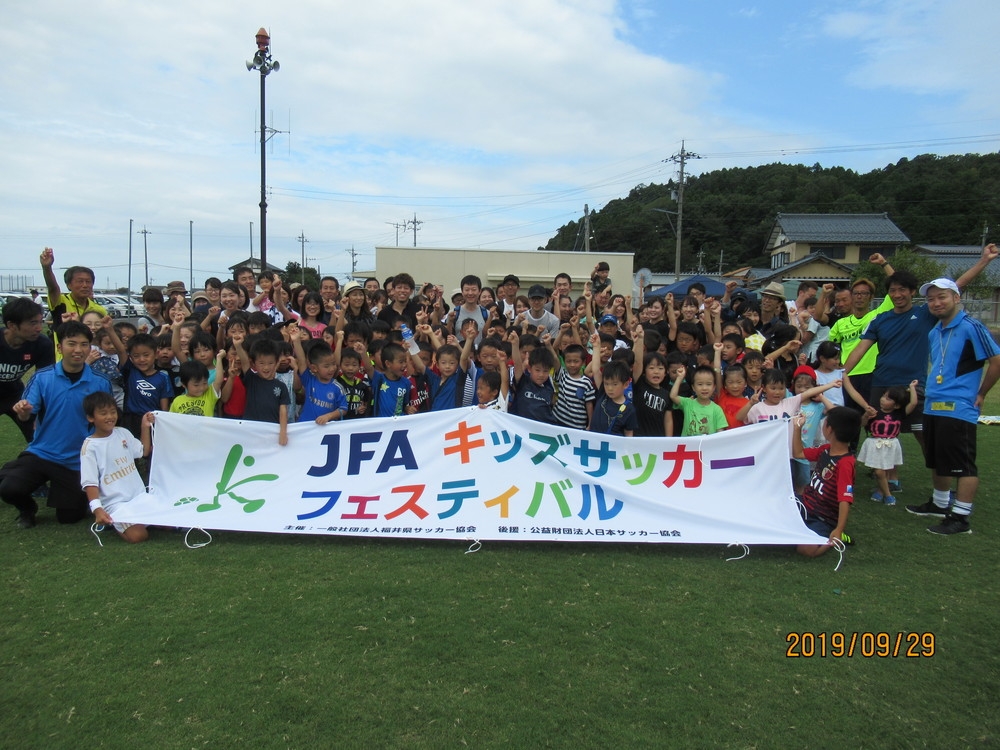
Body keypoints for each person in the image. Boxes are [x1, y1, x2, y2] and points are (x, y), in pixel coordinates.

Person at [842, 244, 997, 449]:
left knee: (923, 434)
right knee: (882, 435)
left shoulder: (925, 314)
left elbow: (956, 285)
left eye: (902, 290)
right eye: (892, 291)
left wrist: (984, 260)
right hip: (882, 383)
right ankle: (887, 479)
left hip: (914, 386)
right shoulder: (879, 320)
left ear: (912, 292)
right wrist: (843, 372)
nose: (897, 294)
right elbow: (860, 350)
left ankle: (937, 469)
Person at [905, 277, 1000, 534]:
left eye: (942, 297)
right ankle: (939, 504)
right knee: (937, 459)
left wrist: (981, 394)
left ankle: (960, 518)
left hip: (958, 406)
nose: (936, 303)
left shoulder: (971, 326)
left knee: (962, 464)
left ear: (956, 298)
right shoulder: (935, 331)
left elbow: (996, 360)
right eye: (931, 299)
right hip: (933, 404)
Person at [0, 321, 113, 528]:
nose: (78, 350)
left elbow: (108, 420)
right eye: (71, 344)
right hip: (42, 453)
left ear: (90, 347)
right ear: (60, 347)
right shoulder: (42, 378)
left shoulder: (100, 382)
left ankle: (61, 491)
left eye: (84, 344)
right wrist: (23, 413)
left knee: (69, 517)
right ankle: (27, 509)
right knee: (9, 488)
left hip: (77, 461)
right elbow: (27, 416)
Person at [80, 392, 154, 543]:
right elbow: (90, 483)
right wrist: (97, 509)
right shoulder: (90, 448)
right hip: (117, 504)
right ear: (91, 418)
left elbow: (143, 451)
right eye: (103, 413)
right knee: (138, 536)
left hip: (139, 497)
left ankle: (138, 520)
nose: (110, 417)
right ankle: (113, 521)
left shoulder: (122, 433)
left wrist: (144, 426)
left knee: (170, 525)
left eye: (113, 412)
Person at [791, 406, 862, 556]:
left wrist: (839, 529)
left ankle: (836, 539)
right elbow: (798, 453)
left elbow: (845, 499)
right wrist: (797, 428)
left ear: (829, 430)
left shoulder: (845, 464)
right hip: (805, 504)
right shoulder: (826, 449)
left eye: (825, 422)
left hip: (822, 518)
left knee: (806, 550)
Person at [0, 298, 54, 442]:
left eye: (40, 321)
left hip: (15, 394)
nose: (38, 327)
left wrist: (39, 412)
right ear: (12, 325)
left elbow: (44, 380)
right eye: (32, 323)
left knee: (38, 436)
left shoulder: (42, 345)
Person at [859, 381, 919, 507]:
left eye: (888, 398)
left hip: (891, 445)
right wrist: (866, 415)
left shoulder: (899, 414)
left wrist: (912, 388)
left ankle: (880, 491)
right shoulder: (874, 412)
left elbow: (913, 403)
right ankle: (888, 495)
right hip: (876, 444)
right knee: (879, 472)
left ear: (896, 405)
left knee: (885, 470)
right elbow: (863, 424)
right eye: (883, 396)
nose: (882, 399)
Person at [290, 329, 349, 425]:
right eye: (326, 366)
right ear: (314, 368)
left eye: (333, 364)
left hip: (326, 430)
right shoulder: (309, 380)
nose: (332, 369)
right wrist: (296, 341)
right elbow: (301, 362)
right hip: (305, 427)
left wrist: (328, 416)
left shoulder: (337, 387)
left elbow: (343, 409)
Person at [670, 363, 727, 436]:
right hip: (688, 446)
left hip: (707, 447)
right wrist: (679, 378)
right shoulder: (688, 403)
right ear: (693, 387)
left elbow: (720, 434)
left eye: (708, 384)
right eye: (700, 384)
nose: (704, 388)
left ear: (714, 387)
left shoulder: (717, 409)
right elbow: (673, 396)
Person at [589, 359, 637, 436]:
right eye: (606, 384)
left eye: (615, 384)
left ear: (626, 384)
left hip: (613, 447)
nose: (609, 388)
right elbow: (596, 370)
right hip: (592, 443)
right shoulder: (603, 393)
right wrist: (596, 347)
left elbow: (628, 434)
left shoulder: (629, 409)